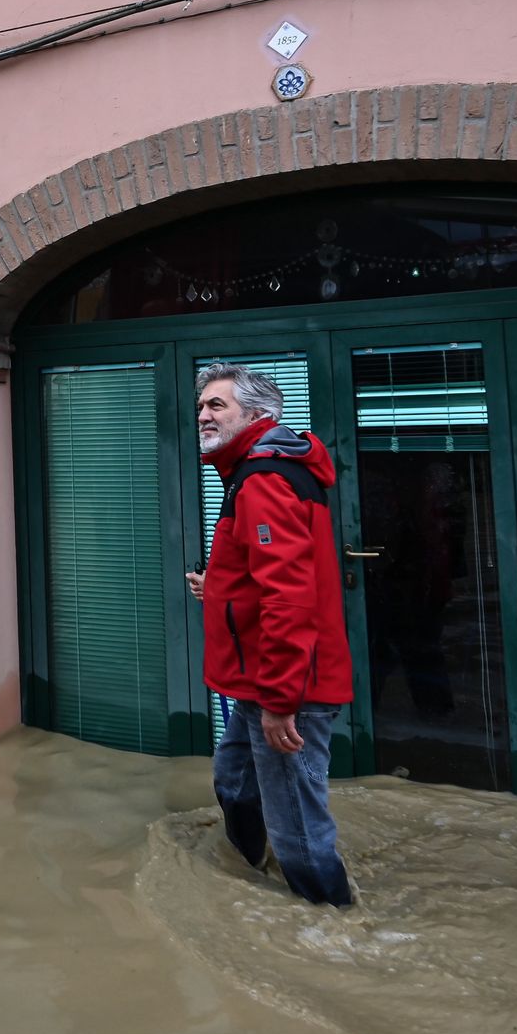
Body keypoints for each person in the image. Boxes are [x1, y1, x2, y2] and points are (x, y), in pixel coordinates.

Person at [184, 363, 355, 907]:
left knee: (297, 831)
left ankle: (332, 926)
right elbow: (268, 576)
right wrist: (219, 587)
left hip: (285, 683)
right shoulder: (255, 472)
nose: (203, 415)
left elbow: (288, 595)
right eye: (201, 406)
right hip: (260, 679)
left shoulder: (263, 479)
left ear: (257, 414)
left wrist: (281, 702)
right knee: (234, 783)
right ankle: (248, 884)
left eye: (217, 405)